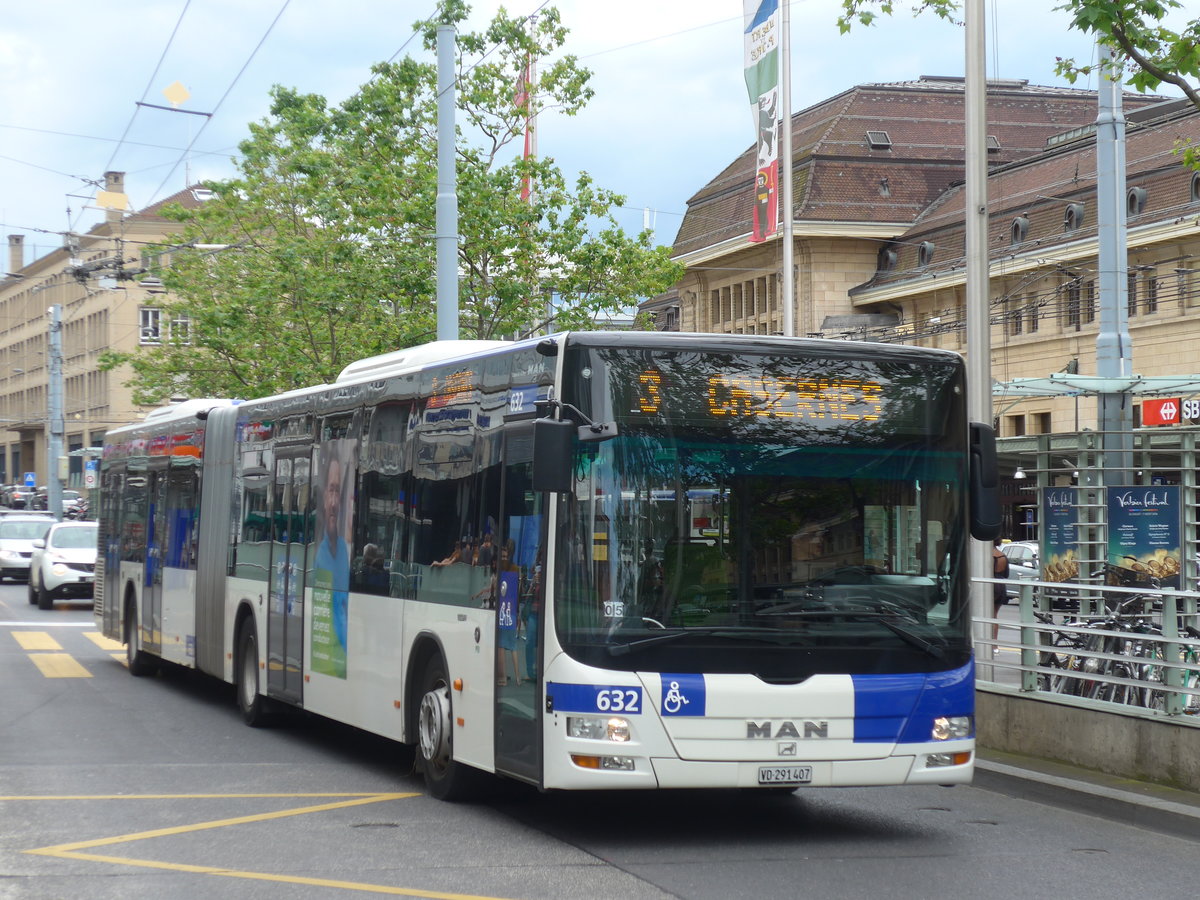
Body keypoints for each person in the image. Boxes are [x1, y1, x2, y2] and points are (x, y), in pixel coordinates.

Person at [315, 450, 352, 655]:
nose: (334, 502)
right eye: (331, 490)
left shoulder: (344, 554)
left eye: (337, 491)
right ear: (323, 497)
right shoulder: (319, 556)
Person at [992, 538, 1010, 641]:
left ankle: (991, 643)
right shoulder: (1002, 556)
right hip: (1001, 585)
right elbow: (1006, 574)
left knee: (990, 615)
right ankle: (994, 644)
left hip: (991, 584)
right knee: (994, 615)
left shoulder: (988, 555)